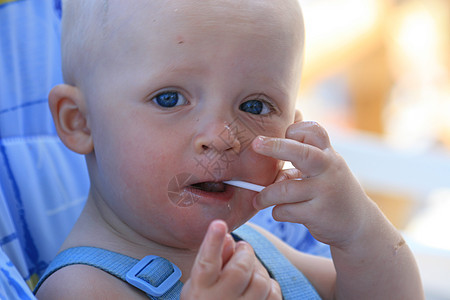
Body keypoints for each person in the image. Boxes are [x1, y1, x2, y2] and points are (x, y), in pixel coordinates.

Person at [34, 0, 424, 299]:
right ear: (79, 121)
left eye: (255, 106)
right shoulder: (81, 288)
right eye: (170, 99)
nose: (222, 136)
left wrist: (358, 231)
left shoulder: (257, 247)